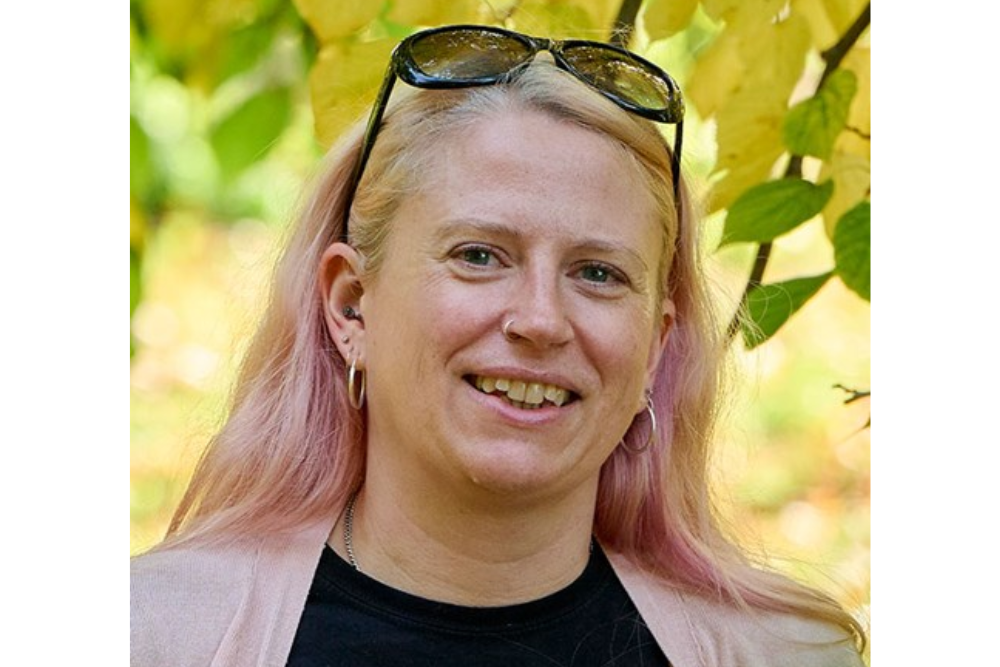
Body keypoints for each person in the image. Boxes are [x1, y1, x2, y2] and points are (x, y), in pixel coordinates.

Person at [131, 24, 866, 666]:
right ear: (351, 305)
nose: (540, 319)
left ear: (653, 346)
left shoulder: (787, 655)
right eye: (479, 255)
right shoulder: (147, 637)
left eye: (598, 273)